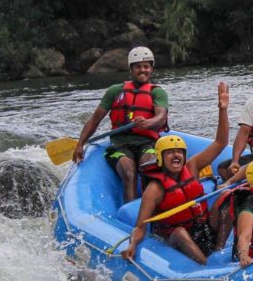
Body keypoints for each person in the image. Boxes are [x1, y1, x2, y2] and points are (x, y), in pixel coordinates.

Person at [121, 82, 232, 265]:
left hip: (203, 228)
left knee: (227, 198)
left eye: (179, 152)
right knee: (180, 232)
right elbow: (140, 226)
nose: (176, 156)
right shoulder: (155, 189)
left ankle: (219, 252)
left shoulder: (192, 167)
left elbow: (220, 142)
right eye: (170, 152)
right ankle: (205, 267)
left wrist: (223, 110)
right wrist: (132, 245)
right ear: (159, 157)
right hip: (177, 239)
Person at [72, 46, 169, 202]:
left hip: (148, 143)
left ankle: (151, 209)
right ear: (131, 69)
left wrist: (147, 122)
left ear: (151, 69)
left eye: (146, 66)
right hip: (120, 145)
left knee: (149, 166)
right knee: (128, 172)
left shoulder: (157, 92)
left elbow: (161, 117)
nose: (142, 70)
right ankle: (131, 213)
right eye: (138, 67)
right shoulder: (115, 91)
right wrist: (80, 143)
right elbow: (94, 120)